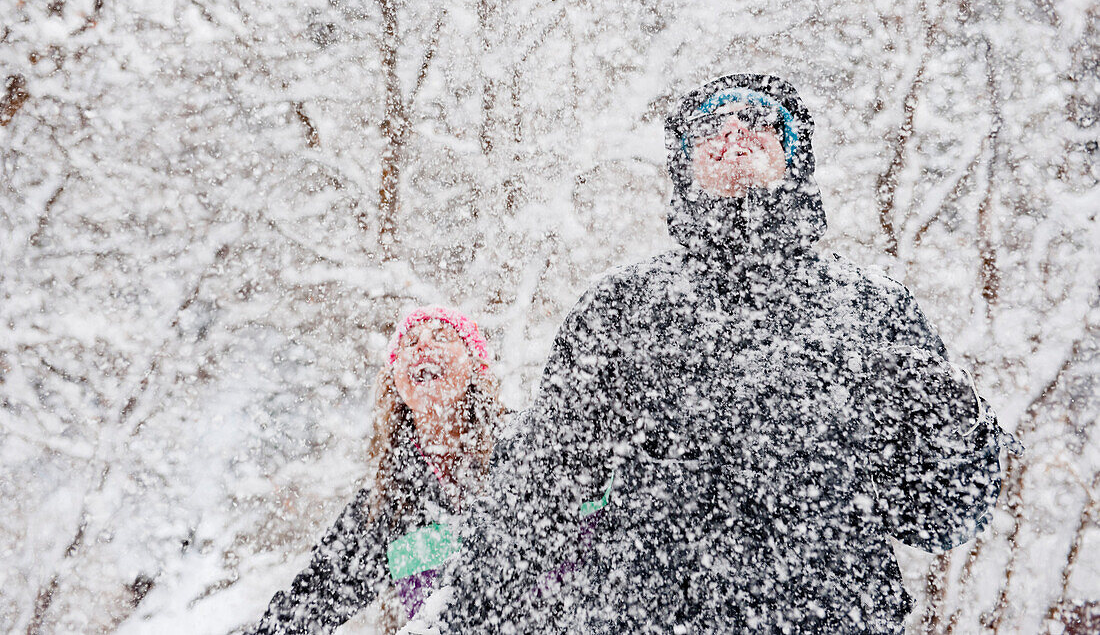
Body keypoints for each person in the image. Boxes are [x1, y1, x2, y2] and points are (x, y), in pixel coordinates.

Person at [428, 73, 1012, 634]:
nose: (733, 136)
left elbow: (941, 515)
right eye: (710, 127)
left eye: (757, 121)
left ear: (793, 155)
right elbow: (534, 495)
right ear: (686, 164)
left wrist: (958, 430)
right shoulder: (621, 311)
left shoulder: (867, 311)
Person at [249, 306, 505, 635]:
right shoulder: (387, 507)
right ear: (395, 379)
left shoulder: (524, 452)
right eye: (410, 343)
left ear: (475, 365)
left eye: (441, 337)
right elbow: (308, 606)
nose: (422, 347)